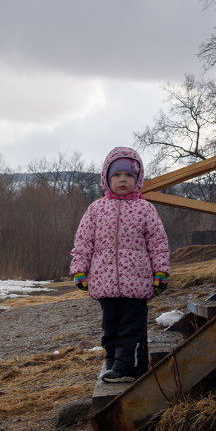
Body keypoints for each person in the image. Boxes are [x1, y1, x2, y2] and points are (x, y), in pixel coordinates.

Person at [69, 146, 170, 383]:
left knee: (132, 325)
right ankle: (114, 362)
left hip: (137, 280)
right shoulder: (96, 209)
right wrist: (79, 270)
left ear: (137, 179)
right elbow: (84, 242)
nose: (122, 180)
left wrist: (161, 271)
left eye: (128, 176)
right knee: (111, 326)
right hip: (104, 280)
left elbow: (158, 243)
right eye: (117, 175)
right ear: (107, 178)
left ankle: (129, 367)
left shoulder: (145, 209)